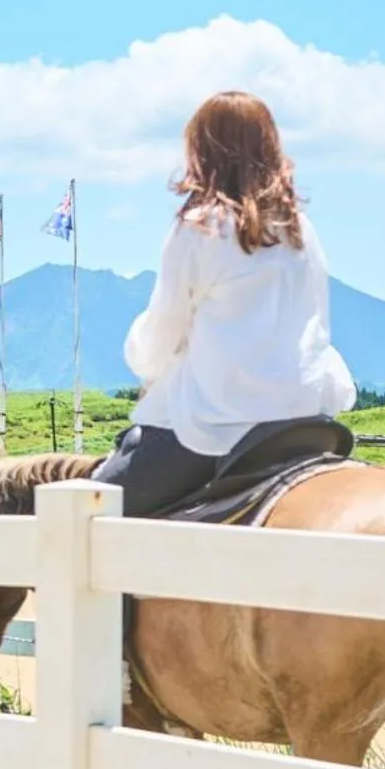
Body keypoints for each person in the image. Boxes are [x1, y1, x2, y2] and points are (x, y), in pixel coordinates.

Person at [97, 89, 357, 517]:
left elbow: (164, 329)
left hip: (218, 420)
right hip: (304, 416)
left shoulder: (200, 228)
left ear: (201, 150)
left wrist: (144, 361)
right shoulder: (301, 230)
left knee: (89, 514)